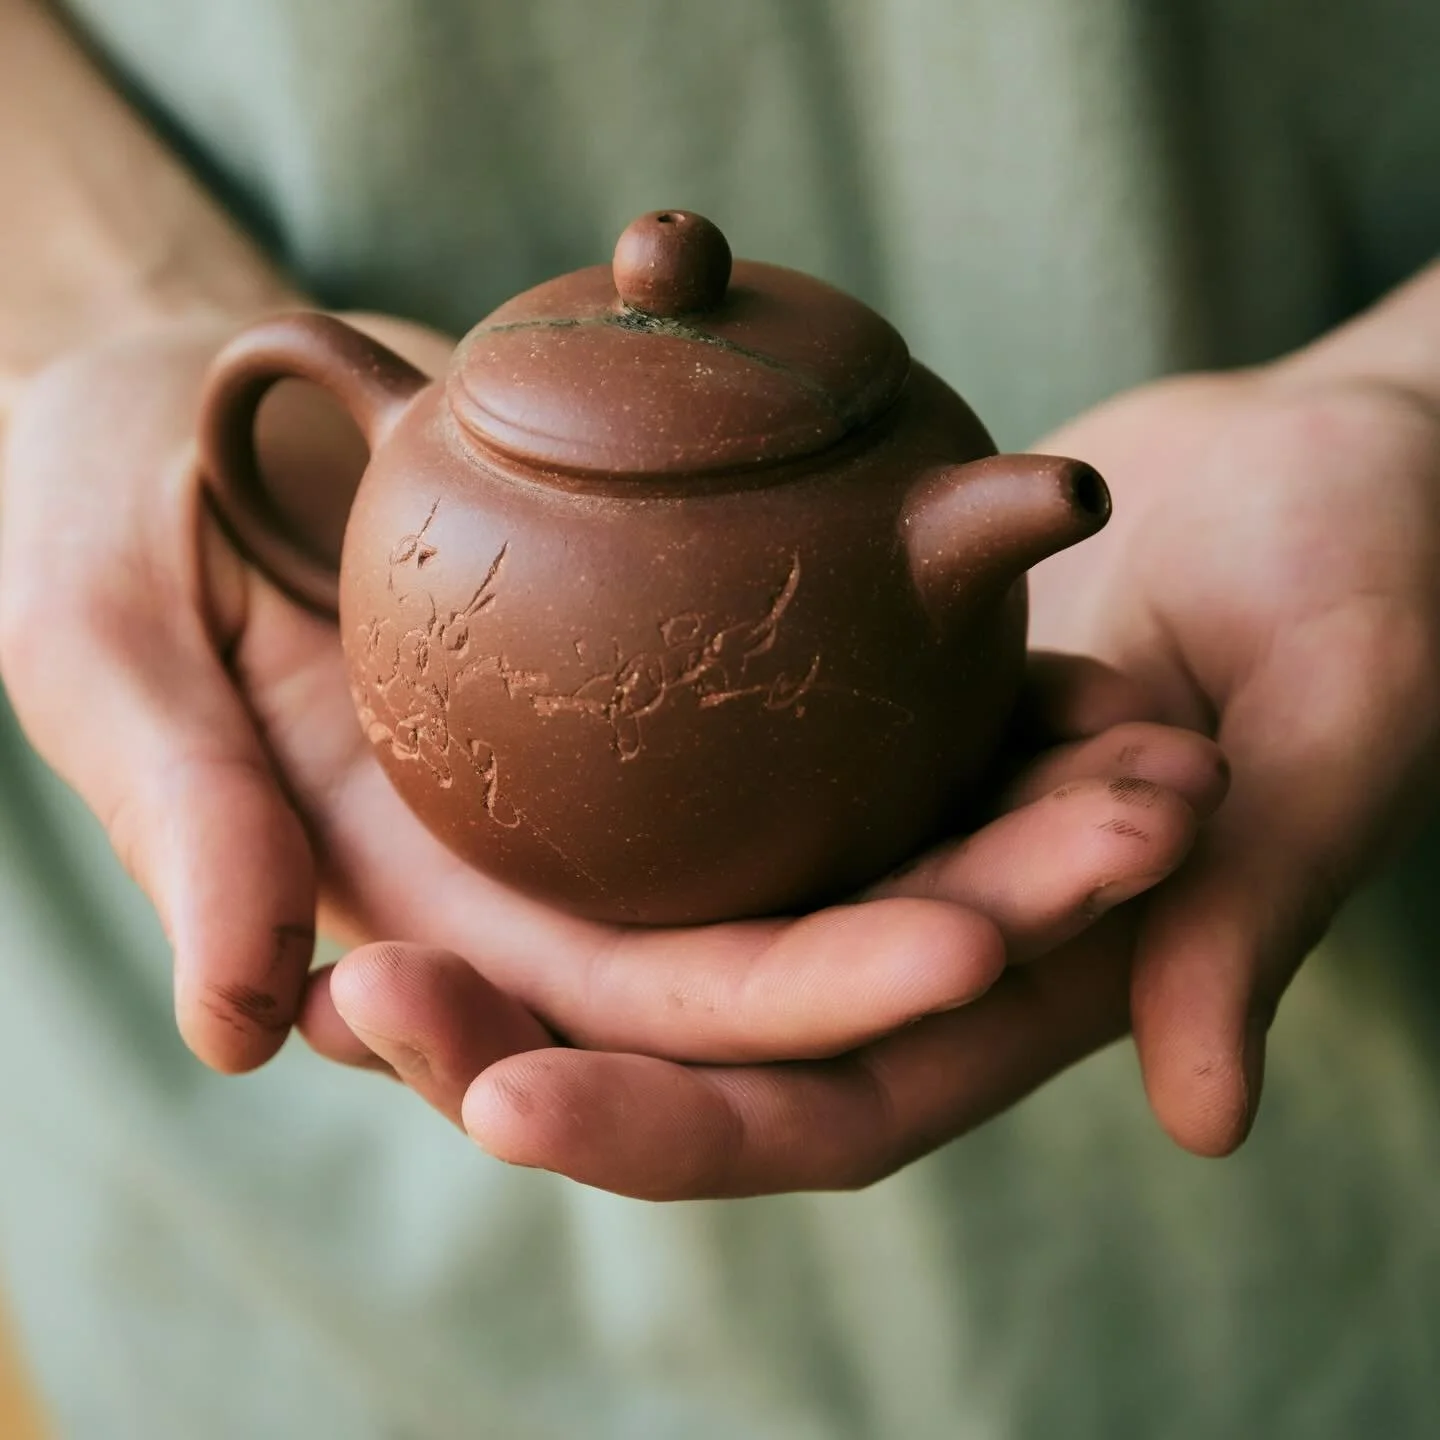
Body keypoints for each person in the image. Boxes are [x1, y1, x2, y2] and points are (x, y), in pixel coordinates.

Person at [1, 0, 1438, 1435]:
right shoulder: (453, 436)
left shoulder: (885, 443)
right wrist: (129, 310)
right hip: (297, 1280)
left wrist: (1407, 393)